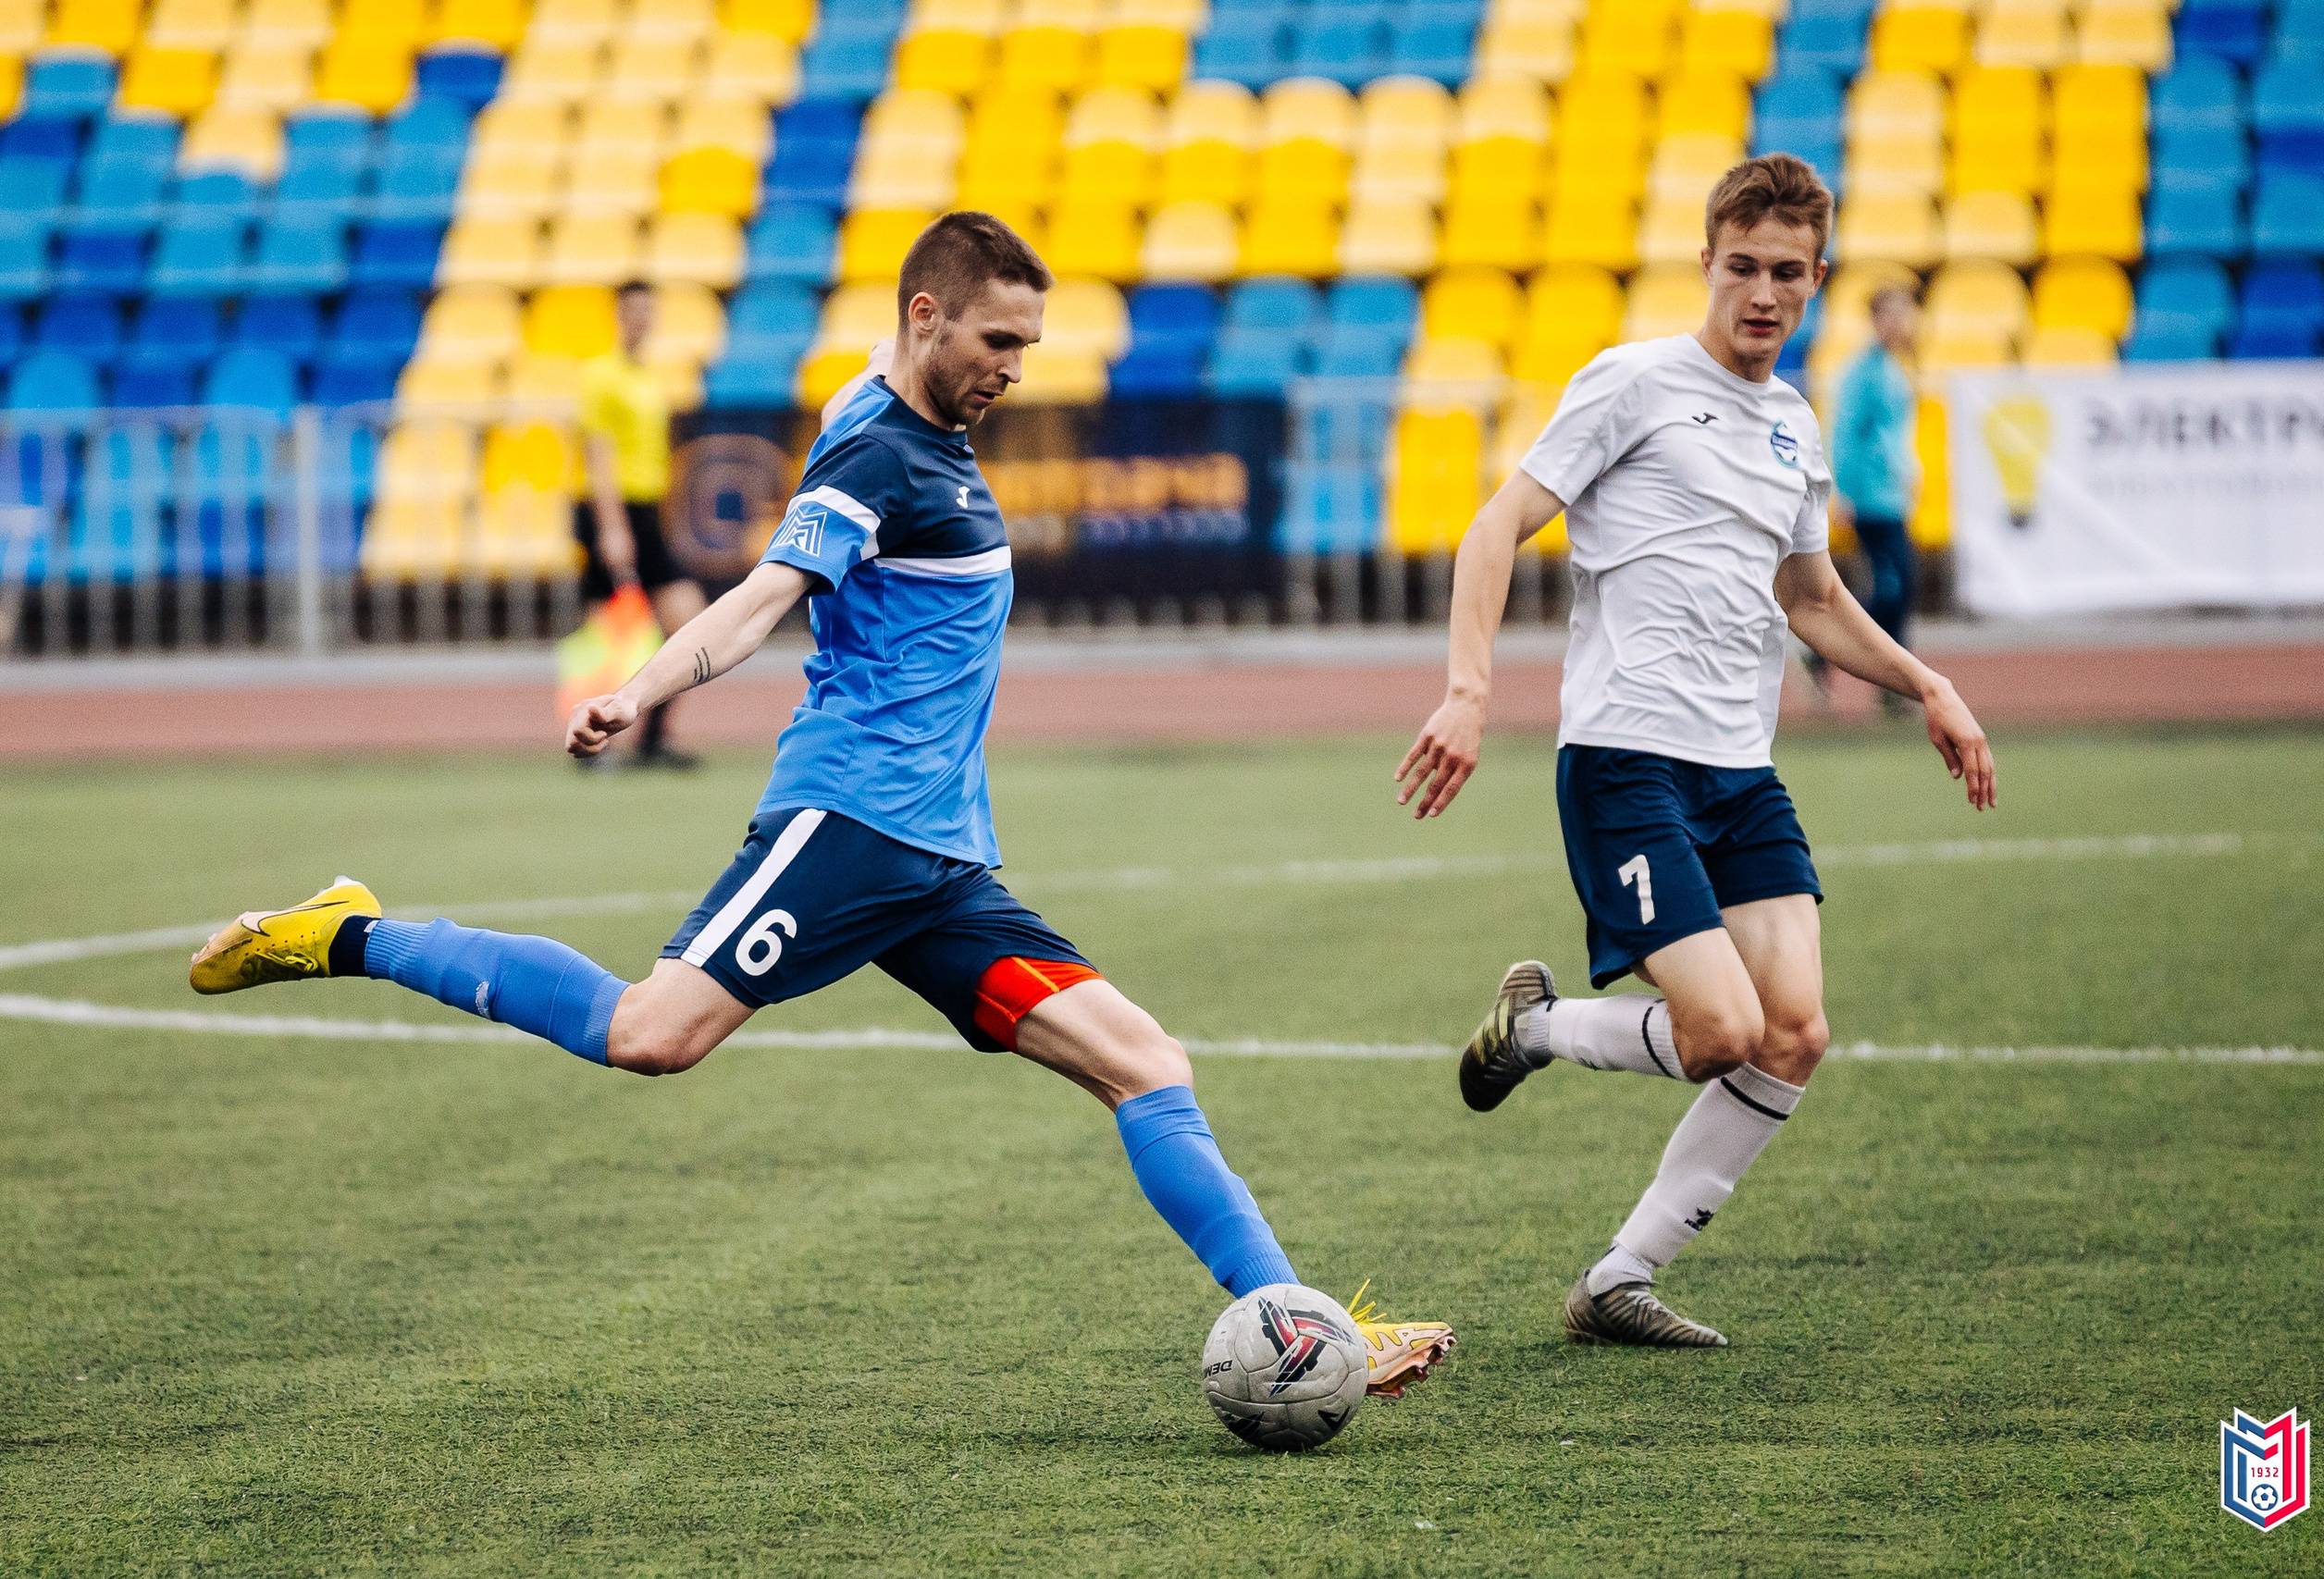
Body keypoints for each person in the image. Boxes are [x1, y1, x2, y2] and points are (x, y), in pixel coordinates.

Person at [188, 213, 1455, 1400]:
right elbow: (764, 596)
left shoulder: (899, 415)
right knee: (649, 1033)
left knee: (1146, 1064)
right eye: (997, 339)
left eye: (1026, 344)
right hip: (849, 827)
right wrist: (636, 691)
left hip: (941, 864)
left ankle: (1304, 1323)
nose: (1015, 368)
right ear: (925, 316)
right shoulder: (875, 452)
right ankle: (352, 932)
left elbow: (871, 398)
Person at [1394, 156, 1996, 1349]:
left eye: (1788, 273)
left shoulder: (1793, 424)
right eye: (1743, 268)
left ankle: (1619, 1279)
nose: (1763, 293)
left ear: (1816, 280)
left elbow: (1809, 597)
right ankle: (1534, 1029)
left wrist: (1928, 684)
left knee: (1797, 1034)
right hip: (1625, 760)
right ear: (1706, 264)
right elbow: (1495, 525)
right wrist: (1468, 691)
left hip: (1740, 773)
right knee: (1719, 1032)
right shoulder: (1632, 382)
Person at [575, 278, 707, 771]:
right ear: (618, 315)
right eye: (633, 311)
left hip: (646, 511)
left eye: (648, 311)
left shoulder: (649, 377)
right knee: (609, 634)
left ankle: (651, 738)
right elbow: (599, 454)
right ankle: (592, 745)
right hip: (613, 510)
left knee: (686, 620)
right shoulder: (600, 376)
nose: (642, 320)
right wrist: (612, 527)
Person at [1829, 284, 1924, 657]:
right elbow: (1845, 434)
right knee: (1893, 586)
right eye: (1893, 315)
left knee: (1898, 585)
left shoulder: (1890, 367)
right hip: (1870, 495)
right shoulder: (1862, 371)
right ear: (1875, 319)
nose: (1900, 323)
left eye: (1904, 314)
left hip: (1891, 494)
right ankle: (1831, 647)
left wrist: (1909, 472)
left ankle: (1892, 669)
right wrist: (1843, 492)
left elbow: (1893, 434)